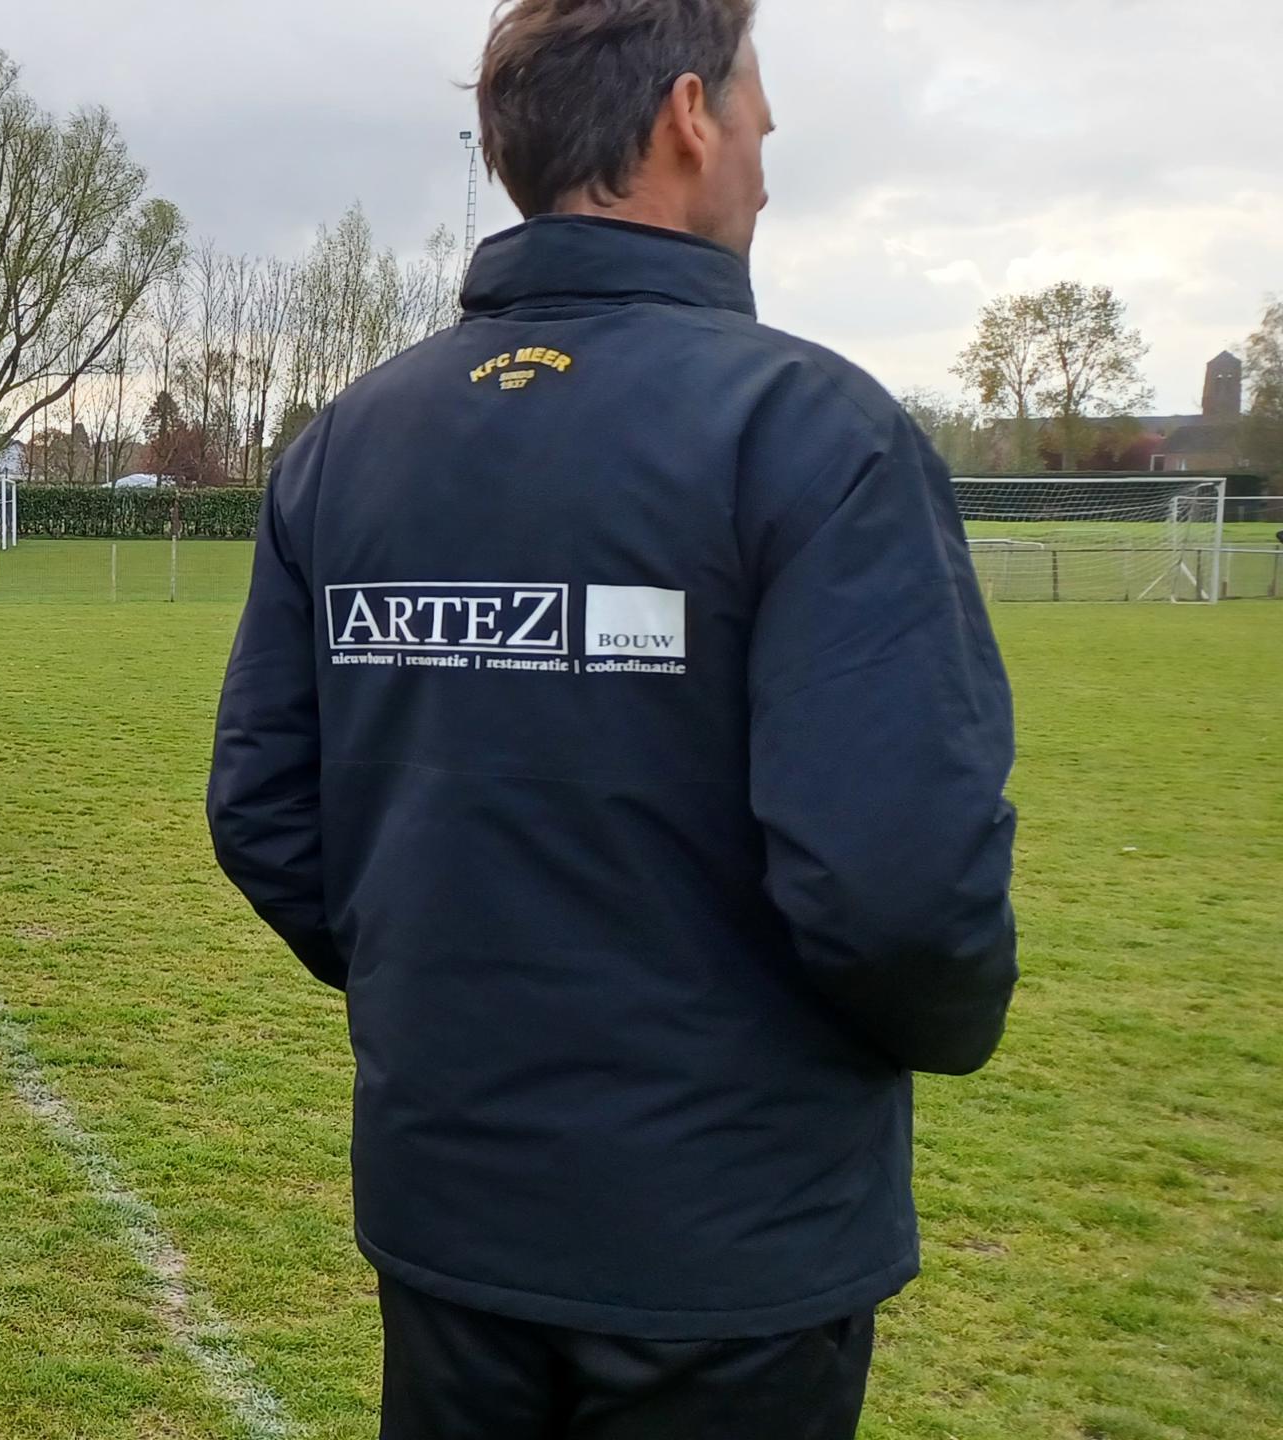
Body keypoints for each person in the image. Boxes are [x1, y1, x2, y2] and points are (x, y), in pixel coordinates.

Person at [207, 4, 1018, 1435]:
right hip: (726, 1244)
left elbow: (265, 807)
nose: (768, 150)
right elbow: (897, 881)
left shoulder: (351, 437)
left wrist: (445, 993)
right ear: (689, 117)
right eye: (758, 111)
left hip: (449, 1201)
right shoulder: (816, 432)